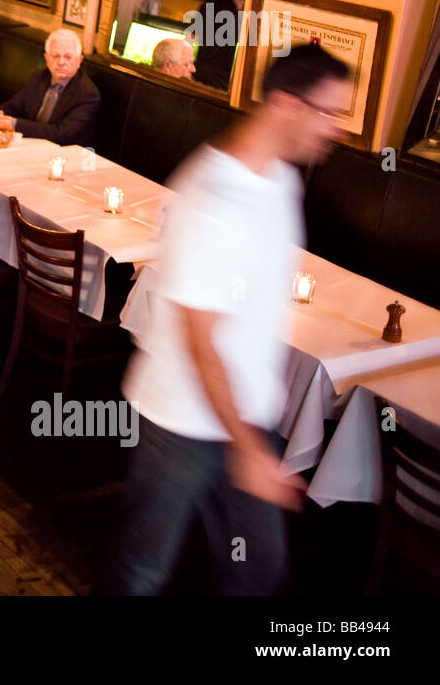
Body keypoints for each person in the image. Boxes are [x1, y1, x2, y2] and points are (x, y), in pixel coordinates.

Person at [101, 43, 351, 595]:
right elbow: (202, 340)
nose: (337, 129)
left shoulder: (282, 179)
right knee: (139, 572)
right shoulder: (213, 197)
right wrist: (248, 449)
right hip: (182, 420)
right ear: (287, 105)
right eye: (329, 113)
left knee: (257, 572)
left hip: (239, 418)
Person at [0, 29, 101, 147]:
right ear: (47, 59)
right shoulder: (38, 77)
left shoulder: (87, 94)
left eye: (68, 57)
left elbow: (61, 134)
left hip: (65, 154)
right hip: (31, 145)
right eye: (56, 56)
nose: (61, 62)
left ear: (79, 61)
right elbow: (14, 105)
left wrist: (13, 124)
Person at [193, 0, 248, 91]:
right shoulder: (213, 6)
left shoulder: (251, 11)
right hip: (206, 79)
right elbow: (195, 39)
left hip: (229, 83)